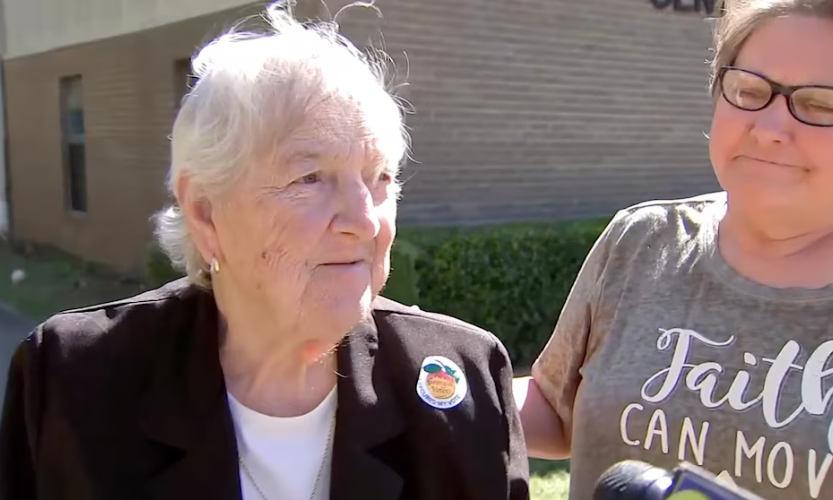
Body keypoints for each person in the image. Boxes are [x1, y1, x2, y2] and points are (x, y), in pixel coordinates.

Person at [0, 3, 529, 499]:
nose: (365, 220)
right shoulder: (75, 381)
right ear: (206, 212)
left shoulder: (464, 382)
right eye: (310, 178)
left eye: (379, 177)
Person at [514, 0, 833, 498]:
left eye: (820, 105)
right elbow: (557, 410)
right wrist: (424, 376)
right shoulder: (643, 241)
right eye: (749, 91)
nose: (769, 129)